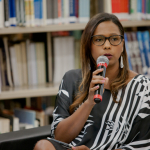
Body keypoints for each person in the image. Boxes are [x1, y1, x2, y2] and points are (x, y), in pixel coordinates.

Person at [34, 13, 150, 150]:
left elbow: (143, 145)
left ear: (122, 44)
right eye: (99, 40)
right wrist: (89, 102)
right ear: (89, 46)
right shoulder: (71, 79)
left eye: (114, 39)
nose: (107, 45)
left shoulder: (142, 87)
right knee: (42, 146)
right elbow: (59, 137)